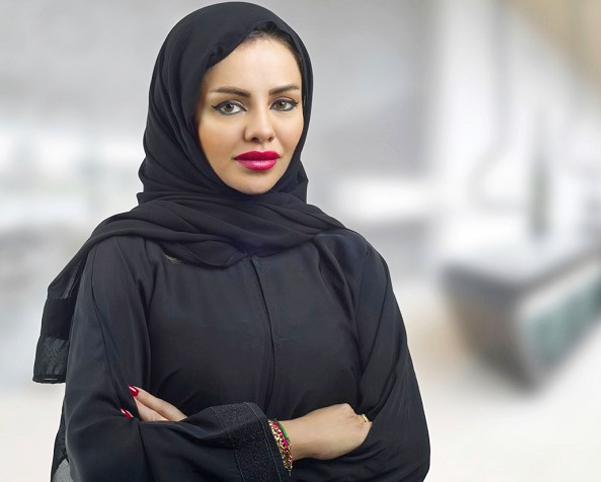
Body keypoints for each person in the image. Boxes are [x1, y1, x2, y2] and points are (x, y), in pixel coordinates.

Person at [32, 2, 430, 481]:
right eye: (229, 105)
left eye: (283, 103)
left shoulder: (351, 261)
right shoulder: (127, 259)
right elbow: (106, 459)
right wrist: (289, 439)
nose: (262, 129)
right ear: (183, 116)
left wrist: (189, 453)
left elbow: (403, 455)